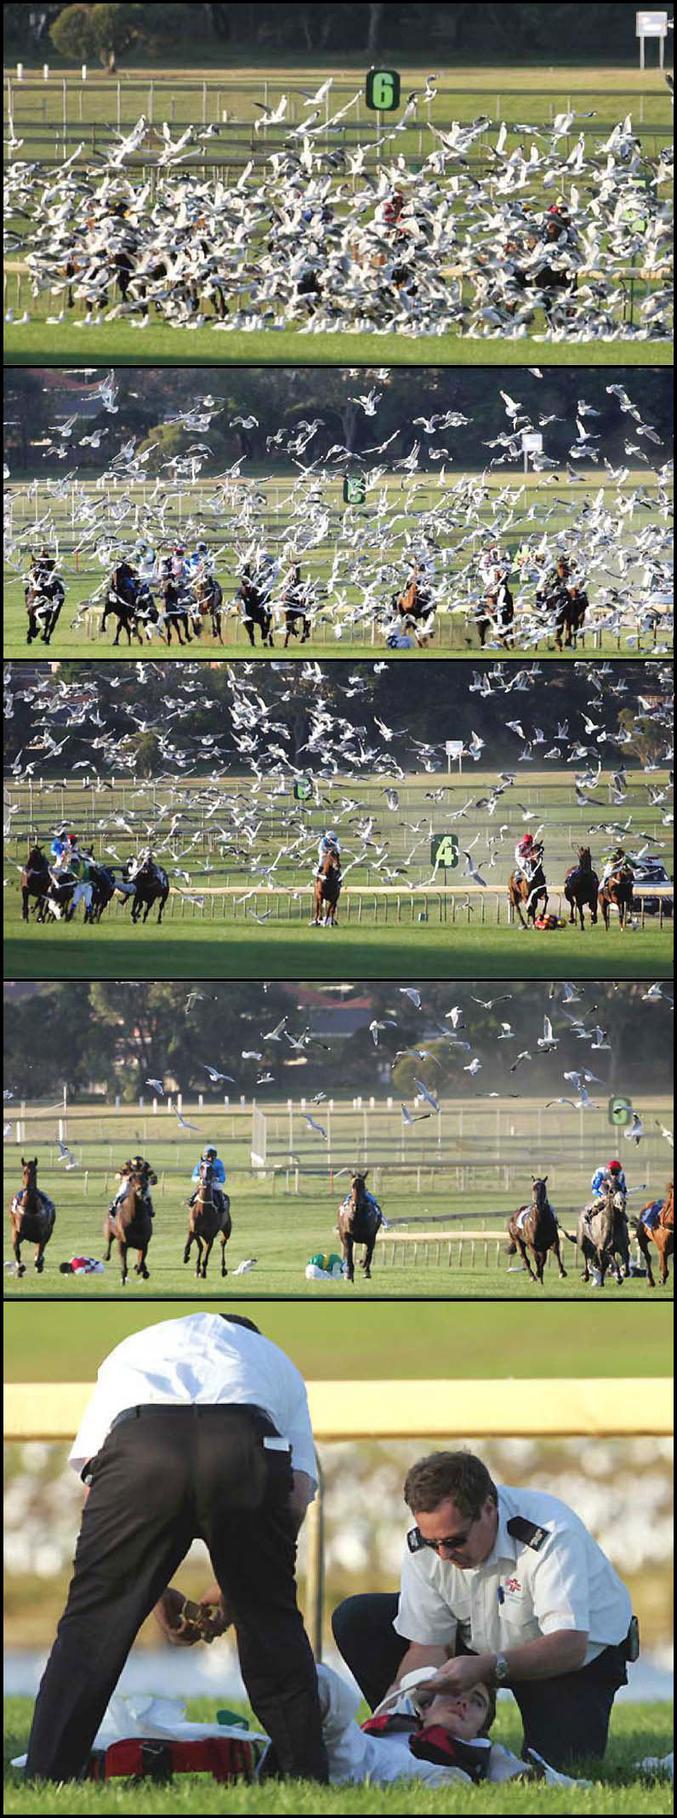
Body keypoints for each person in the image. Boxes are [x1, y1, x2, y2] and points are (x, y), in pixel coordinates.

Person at [24, 1312, 328, 1784]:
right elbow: (294, 1494)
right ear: (248, 1343)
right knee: (271, 1624)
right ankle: (304, 1775)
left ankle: (48, 1775)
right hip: (243, 1447)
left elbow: (95, 1490)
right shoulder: (274, 1360)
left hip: (144, 1444)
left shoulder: (136, 1345)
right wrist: (244, 1587)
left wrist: (146, 1583)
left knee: (89, 1628)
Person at [332, 1450, 635, 1771]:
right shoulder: (429, 1545)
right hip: (478, 1646)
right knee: (358, 1618)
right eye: (432, 1541)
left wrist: (488, 1667)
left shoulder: (548, 1532)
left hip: (568, 1661)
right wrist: (402, 1697)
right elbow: (429, 1645)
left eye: (455, 1540)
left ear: (489, 1509)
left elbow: (569, 1644)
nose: (443, 1554)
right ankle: (426, 1740)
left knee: (558, 1766)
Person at [106, 1155, 156, 1222]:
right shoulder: (127, 1164)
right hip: (129, 1183)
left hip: (143, 1184)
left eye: (140, 1167)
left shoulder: (146, 1165)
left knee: (148, 1194)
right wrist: (125, 1177)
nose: (138, 1169)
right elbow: (117, 1175)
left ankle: (150, 1210)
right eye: (136, 1167)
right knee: (123, 1191)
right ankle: (114, 1206)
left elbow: (152, 1175)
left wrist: (153, 1180)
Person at [189, 1144, 228, 1218]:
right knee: (199, 1187)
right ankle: (191, 1199)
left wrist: (216, 1179)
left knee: (218, 1187)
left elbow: (223, 1177)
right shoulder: (201, 1163)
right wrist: (199, 1178)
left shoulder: (219, 1163)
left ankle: (221, 1204)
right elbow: (194, 1176)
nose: (209, 1158)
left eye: (211, 1156)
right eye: (208, 1156)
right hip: (203, 1181)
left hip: (214, 1182)